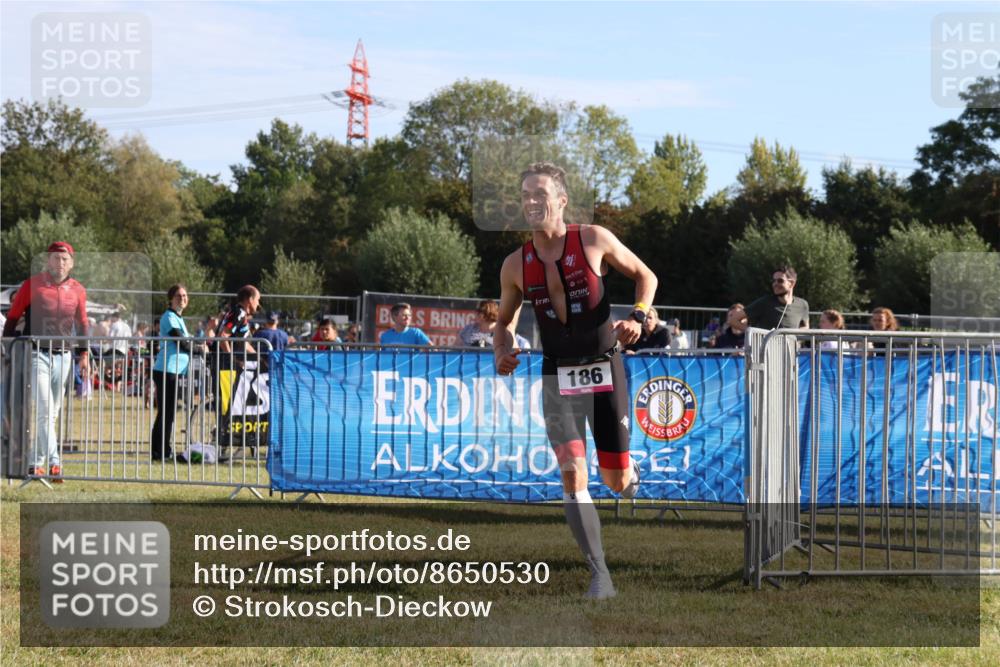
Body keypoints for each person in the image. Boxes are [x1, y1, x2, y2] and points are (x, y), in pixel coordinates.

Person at [495, 162, 657, 600]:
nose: (532, 201)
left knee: (615, 481)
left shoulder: (593, 239)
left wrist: (639, 316)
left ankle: (630, 473)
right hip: (556, 375)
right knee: (571, 474)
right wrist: (502, 349)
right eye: (526, 194)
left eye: (540, 193)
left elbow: (647, 276)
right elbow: (504, 321)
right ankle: (600, 574)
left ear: (561, 200)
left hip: (606, 368)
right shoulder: (515, 264)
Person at [2, 242, 90, 481]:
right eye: (55, 258)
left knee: (51, 414)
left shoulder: (78, 290)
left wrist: (83, 355)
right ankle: (55, 463)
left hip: (64, 357)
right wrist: (8, 349)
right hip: (36, 354)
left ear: (71, 263)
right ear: (47, 261)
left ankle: (35, 463)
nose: (59, 263)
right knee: (43, 410)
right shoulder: (32, 285)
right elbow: (12, 319)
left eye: (64, 259)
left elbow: (82, 324)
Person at [150, 284, 191, 461]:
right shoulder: (169, 317)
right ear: (171, 299)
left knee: (169, 412)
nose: (182, 298)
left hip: (174, 370)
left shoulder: (179, 318)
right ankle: (160, 451)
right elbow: (181, 342)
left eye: (184, 295)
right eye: (178, 296)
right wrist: (197, 348)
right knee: (166, 412)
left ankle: (163, 449)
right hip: (166, 369)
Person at [746, 265, 810, 330]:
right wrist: (752, 333)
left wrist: (794, 337)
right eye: (774, 281)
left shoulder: (802, 304)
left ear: (791, 283)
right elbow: (735, 319)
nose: (775, 284)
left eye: (780, 280)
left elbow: (805, 326)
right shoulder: (764, 302)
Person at [459, 300, 531, 350]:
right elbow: (455, 347)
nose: (474, 314)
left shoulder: (505, 332)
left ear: (483, 315)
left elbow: (524, 349)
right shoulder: (468, 329)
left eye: (477, 312)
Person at [218, 285, 261, 365]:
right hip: (226, 366)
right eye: (257, 300)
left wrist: (259, 359)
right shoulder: (238, 313)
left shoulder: (240, 313)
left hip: (233, 364)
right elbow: (222, 337)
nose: (258, 304)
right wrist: (232, 361)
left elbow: (243, 343)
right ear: (250, 299)